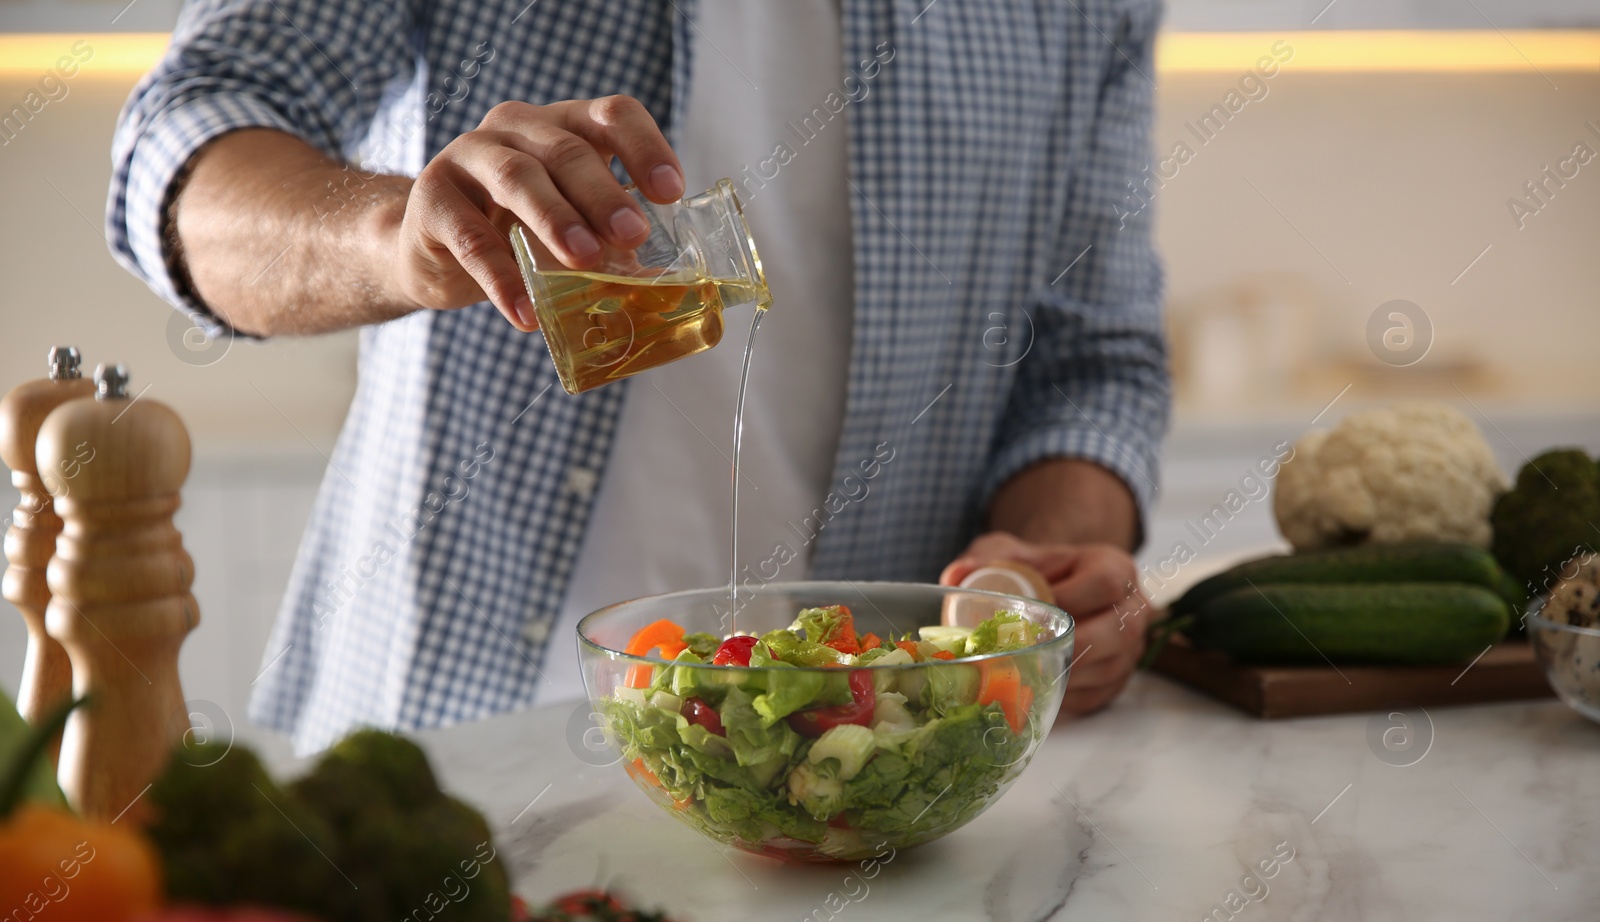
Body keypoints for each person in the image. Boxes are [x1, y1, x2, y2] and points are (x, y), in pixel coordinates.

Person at [109, 0, 1170, 754]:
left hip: (858, 787)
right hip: (448, 748)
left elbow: (1091, 362)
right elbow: (182, 147)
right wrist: (398, 238)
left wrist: (1037, 563)